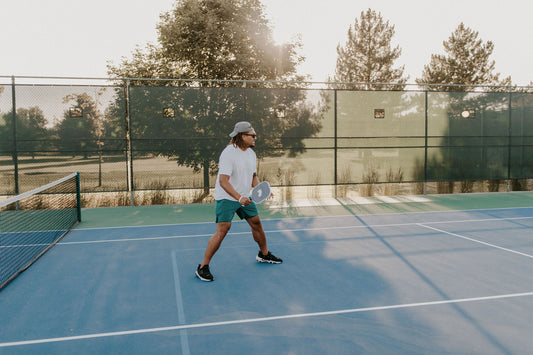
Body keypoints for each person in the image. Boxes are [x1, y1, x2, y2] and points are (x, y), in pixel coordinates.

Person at [195, 121, 282, 282]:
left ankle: (263, 254)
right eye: (252, 135)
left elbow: (253, 176)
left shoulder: (251, 153)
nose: (255, 138)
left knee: (256, 223)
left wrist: (261, 190)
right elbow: (223, 181)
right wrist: (239, 198)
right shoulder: (229, 153)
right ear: (242, 136)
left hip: (244, 197)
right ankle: (202, 267)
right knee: (223, 229)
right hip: (227, 197)